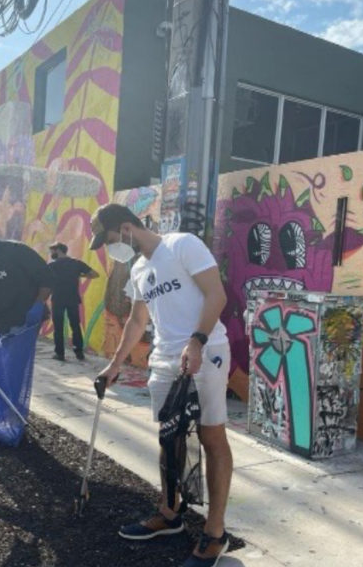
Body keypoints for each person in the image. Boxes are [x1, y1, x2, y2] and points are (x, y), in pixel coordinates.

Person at [91, 203, 232, 567]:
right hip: (165, 360)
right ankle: (169, 513)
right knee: (168, 437)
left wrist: (197, 341)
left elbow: (217, 295)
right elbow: (137, 322)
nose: (110, 249)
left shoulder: (183, 245)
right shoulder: (138, 268)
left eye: (108, 240)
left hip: (206, 351)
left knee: (211, 437)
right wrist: (114, 366)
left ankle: (215, 534)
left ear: (126, 228)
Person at [47, 242, 98, 361]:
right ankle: (79, 353)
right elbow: (95, 274)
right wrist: (79, 274)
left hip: (58, 299)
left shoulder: (52, 266)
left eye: (52, 251)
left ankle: (59, 354)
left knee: (58, 327)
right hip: (73, 299)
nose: (51, 254)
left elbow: (46, 281)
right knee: (75, 326)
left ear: (58, 250)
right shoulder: (76, 263)